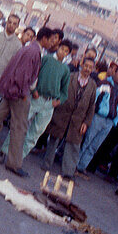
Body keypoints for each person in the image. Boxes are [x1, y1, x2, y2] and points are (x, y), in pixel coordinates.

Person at [0, 39, 45, 175]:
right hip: (19, 93)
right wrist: (23, 92)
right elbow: (23, 74)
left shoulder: (28, 48)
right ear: (46, 38)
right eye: (54, 39)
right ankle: (14, 164)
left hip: (11, 89)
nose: (54, 43)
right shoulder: (34, 51)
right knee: (19, 128)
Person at [0, 28, 66, 169]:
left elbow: (64, 91)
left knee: (34, 135)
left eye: (66, 51)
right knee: (19, 127)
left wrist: (58, 101)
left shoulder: (66, 70)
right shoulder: (45, 58)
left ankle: (17, 160)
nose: (63, 52)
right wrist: (33, 90)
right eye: (62, 49)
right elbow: (33, 75)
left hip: (49, 105)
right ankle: (4, 152)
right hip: (36, 98)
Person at [41, 51, 97, 179]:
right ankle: (46, 163)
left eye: (90, 67)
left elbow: (91, 106)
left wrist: (86, 122)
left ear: (93, 69)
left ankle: (68, 172)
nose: (87, 69)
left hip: (78, 120)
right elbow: (59, 90)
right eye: (86, 66)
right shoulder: (70, 76)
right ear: (82, 65)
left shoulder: (93, 85)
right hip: (62, 113)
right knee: (54, 138)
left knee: (73, 145)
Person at [77, 64, 118, 177]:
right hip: (98, 118)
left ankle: (81, 167)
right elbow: (93, 98)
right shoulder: (104, 83)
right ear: (114, 73)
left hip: (109, 122)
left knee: (95, 146)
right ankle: (74, 164)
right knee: (86, 142)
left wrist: (115, 121)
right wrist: (90, 115)